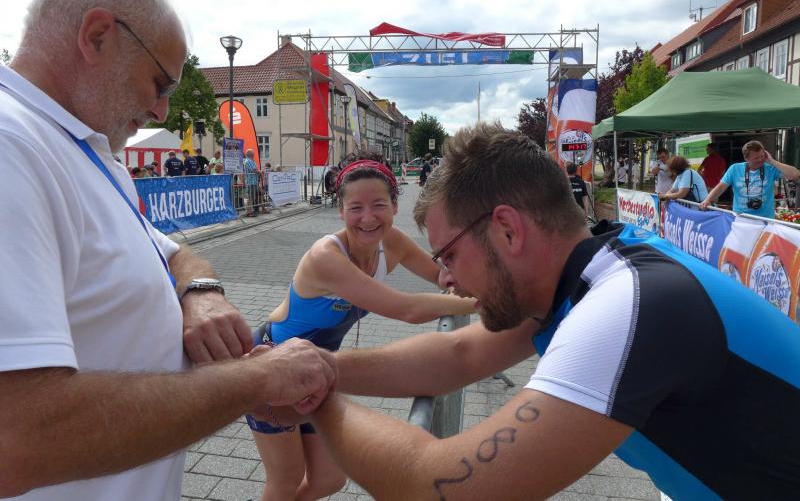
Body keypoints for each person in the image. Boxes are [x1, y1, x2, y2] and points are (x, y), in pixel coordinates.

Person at [300, 123, 800, 500]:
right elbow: (457, 355)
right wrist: (318, 365)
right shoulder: (596, 268)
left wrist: (305, 393)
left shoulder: (629, 304)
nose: (446, 278)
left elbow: (438, 485)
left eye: (448, 255)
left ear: (508, 230)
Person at [0, 0, 337, 499]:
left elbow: (171, 251)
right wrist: (256, 380)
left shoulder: (83, 150)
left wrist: (200, 292)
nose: (161, 110)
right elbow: (16, 437)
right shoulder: (13, 146)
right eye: (160, 83)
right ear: (97, 37)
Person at [247, 153, 476, 501]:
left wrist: (474, 278)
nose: (368, 218)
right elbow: (408, 309)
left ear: (395, 205)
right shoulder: (326, 256)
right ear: (340, 210)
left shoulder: (393, 242)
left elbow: (442, 278)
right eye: (355, 207)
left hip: (313, 371)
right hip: (273, 363)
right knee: (286, 479)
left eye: (379, 205)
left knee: (329, 479)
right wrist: (479, 305)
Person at [700, 140, 799, 218]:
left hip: (765, 220)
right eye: (756, 158)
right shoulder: (735, 169)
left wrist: (772, 161)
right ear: (746, 158)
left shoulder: (770, 168)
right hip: (741, 218)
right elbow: (721, 186)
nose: (760, 160)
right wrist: (708, 200)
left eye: (762, 156)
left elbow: (795, 175)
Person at [243, 149, 261, 216]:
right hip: (251, 182)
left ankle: (250, 211)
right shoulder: (248, 161)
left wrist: (258, 172)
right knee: (250, 198)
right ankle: (249, 212)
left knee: (252, 197)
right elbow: (254, 170)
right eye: (253, 153)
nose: (254, 154)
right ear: (251, 154)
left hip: (253, 181)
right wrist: (260, 172)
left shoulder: (251, 161)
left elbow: (255, 170)